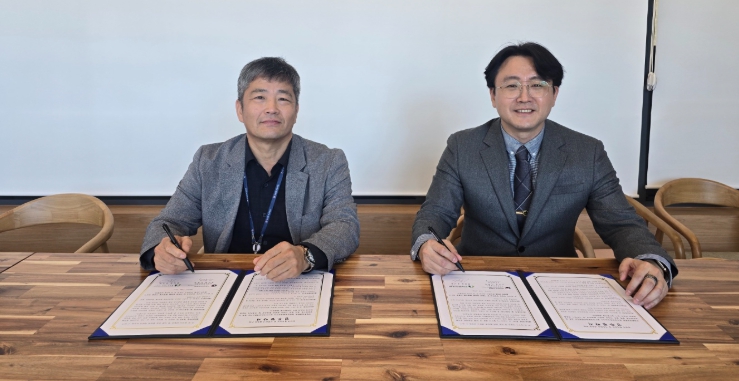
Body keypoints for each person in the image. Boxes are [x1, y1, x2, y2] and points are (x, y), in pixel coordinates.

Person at [411, 42, 676, 309]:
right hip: (478, 280)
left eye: (537, 85)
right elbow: (435, 212)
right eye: (511, 85)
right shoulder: (462, 146)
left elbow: (621, 224)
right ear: (493, 95)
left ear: (554, 93)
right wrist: (426, 244)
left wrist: (652, 262)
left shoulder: (587, 152)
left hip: (558, 283)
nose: (524, 97)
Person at [141, 57, 360, 281]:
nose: (271, 109)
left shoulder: (328, 161)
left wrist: (305, 255)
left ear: (296, 111)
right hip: (224, 282)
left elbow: (344, 226)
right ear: (240, 110)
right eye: (260, 97)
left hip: (298, 283)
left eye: (283, 99)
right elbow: (168, 222)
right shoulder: (208, 161)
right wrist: (161, 251)